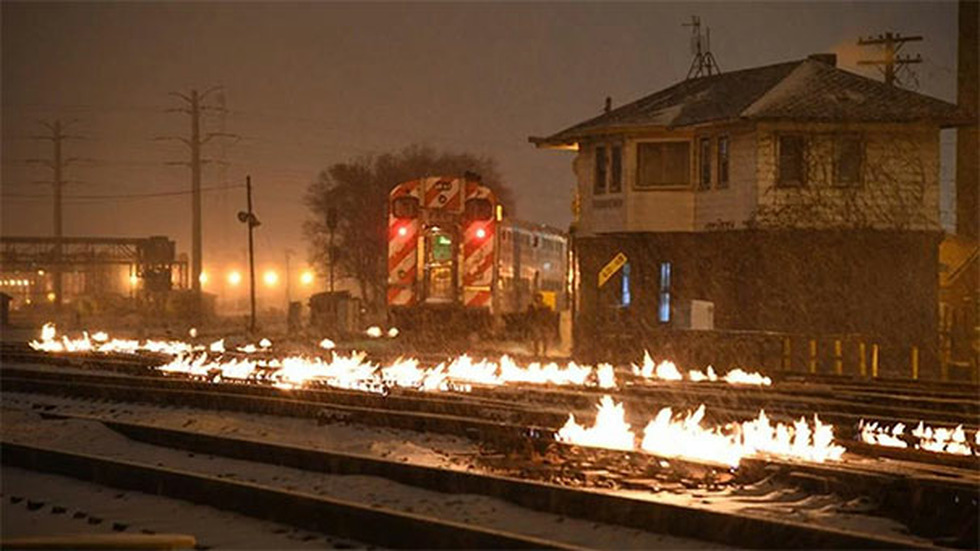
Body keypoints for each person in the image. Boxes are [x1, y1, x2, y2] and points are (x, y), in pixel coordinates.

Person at [526, 292, 553, 358]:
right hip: (535, 324)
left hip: (543, 324)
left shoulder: (545, 306)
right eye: (537, 298)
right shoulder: (532, 307)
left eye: (539, 298)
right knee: (536, 338)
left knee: (545, 338)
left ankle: (544, 352)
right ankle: (536, 352)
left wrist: (549, 325)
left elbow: (548, 316)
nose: (538, 299)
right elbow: (529, 316)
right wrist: (530, 324)